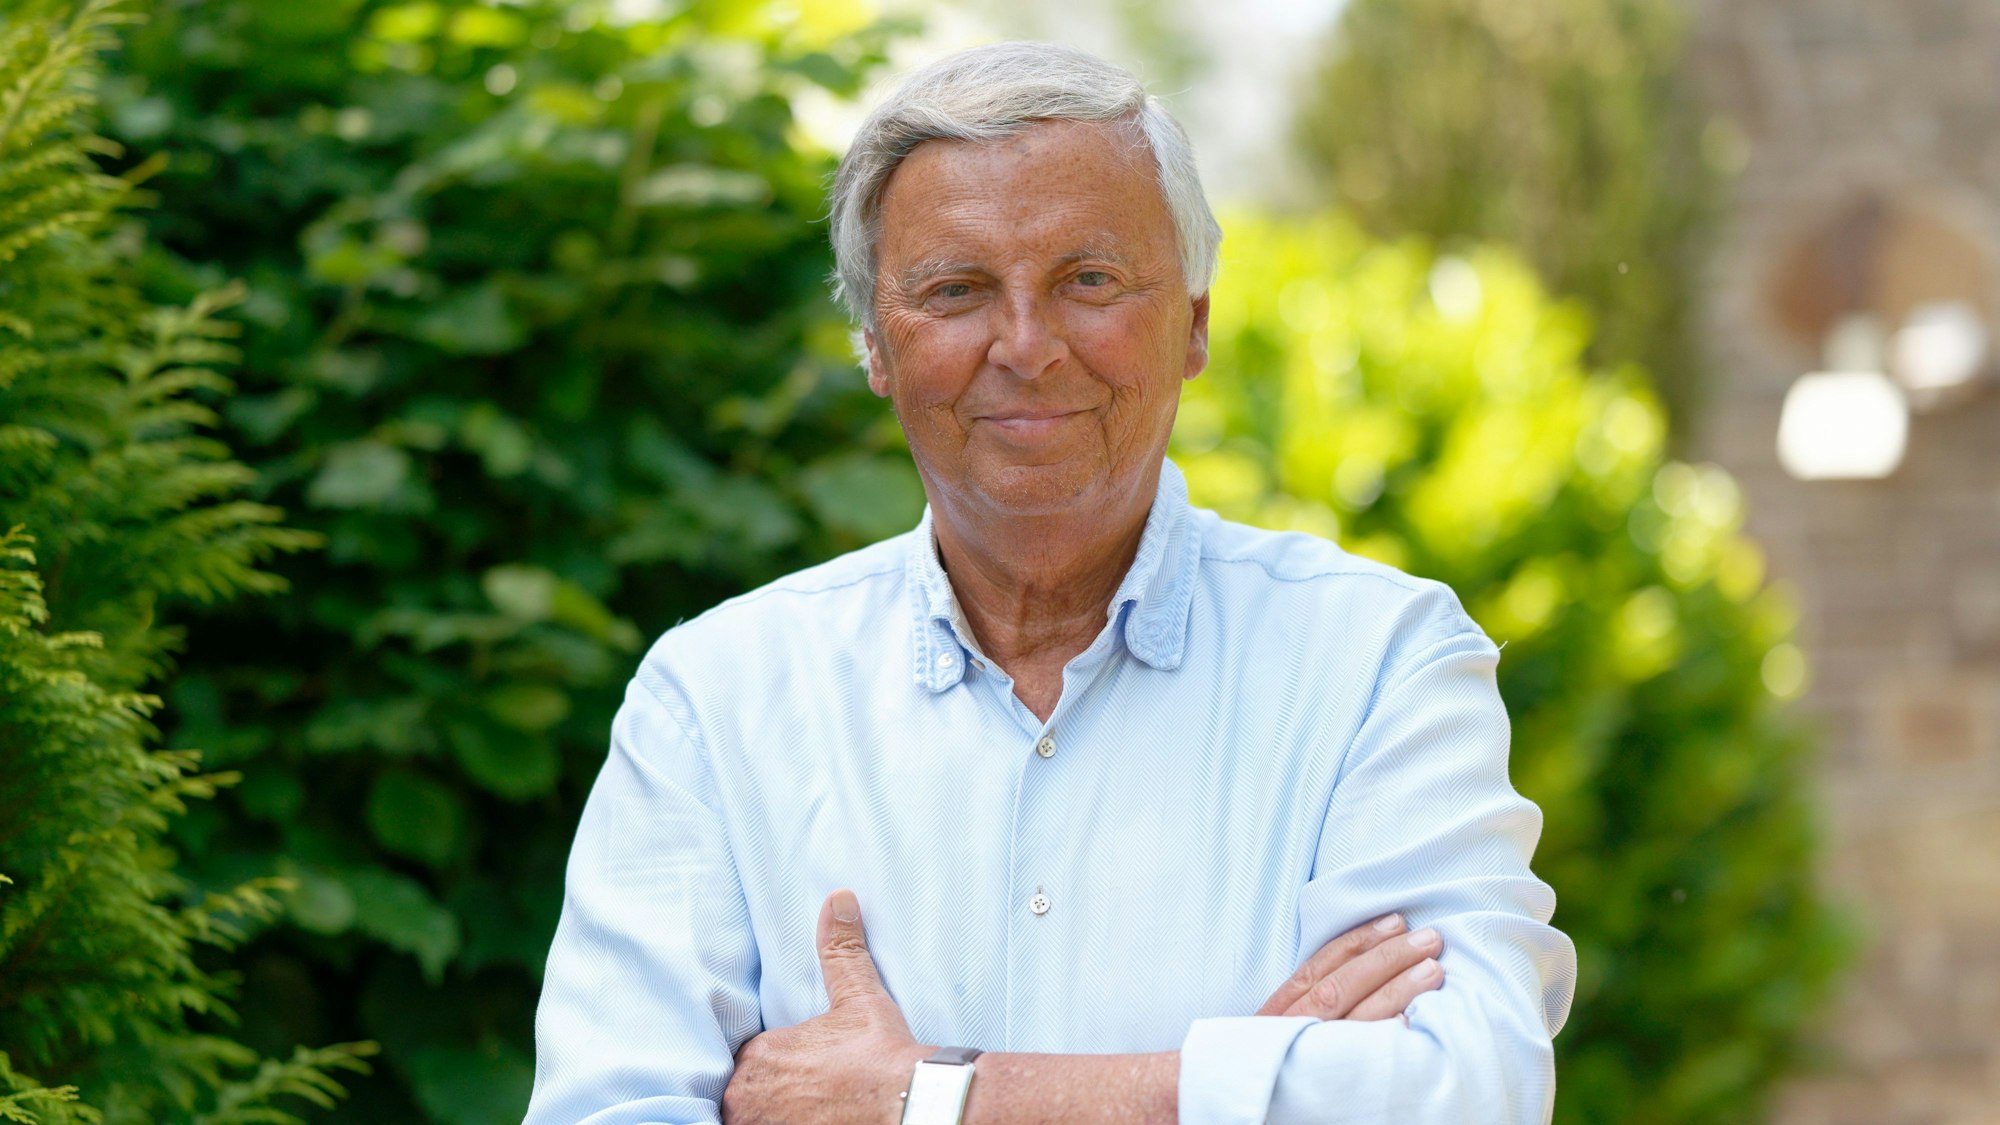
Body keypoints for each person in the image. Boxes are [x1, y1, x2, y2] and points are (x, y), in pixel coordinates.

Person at [525, 41, 1575, 1125]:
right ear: (875, 348)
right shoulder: (714, 700)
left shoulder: (1378, 664)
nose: (1025, 347)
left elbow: (1468, 1095)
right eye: (955, 289)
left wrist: (922, 1098)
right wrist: (1235, 1087)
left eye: (1088, 280)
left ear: (1194, 325)